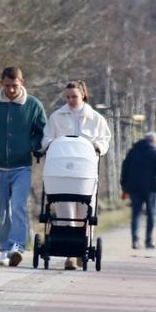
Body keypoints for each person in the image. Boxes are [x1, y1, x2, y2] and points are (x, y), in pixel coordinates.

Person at [0, 67, 47, 267]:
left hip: (21, 166)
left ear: (22, 82)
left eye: (15, 86)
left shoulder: (33, 105)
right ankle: (4, 250)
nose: (11, 90)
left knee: (19, 207)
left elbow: (42, 132)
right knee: (1, 210)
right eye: (7, 86)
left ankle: (17, 247)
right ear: (1, 83)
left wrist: (30, 146)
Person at [41, 80, 111, 270]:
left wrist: (97, 146)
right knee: (65, 211)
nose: (71, 100)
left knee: (85, 211)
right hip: (62, 171)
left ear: (83, 96)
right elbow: (46, 137)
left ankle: (83, 247)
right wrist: (50, 144)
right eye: (68, 97)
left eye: (75, 96)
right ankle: (70, 254)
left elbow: (105, 140)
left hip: (86, 172)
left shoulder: (96, 119)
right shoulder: (57, 117)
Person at [121, 131, 156, 250]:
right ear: (154, 142)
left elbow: (124, 168)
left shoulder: (132, 151)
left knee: (136, 213)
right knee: (151, 214)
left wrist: (124, 186)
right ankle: (149, 240)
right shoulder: (155, 152)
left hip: (134, 188)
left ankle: (135, 240)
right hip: (150, 189)